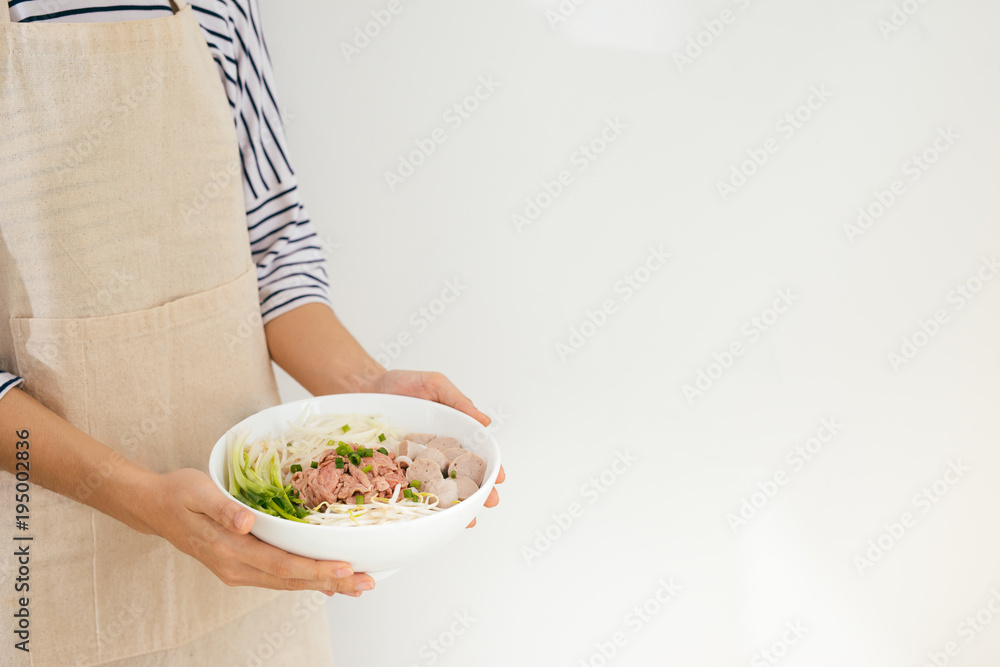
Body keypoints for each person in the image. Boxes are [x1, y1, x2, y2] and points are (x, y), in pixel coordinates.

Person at [0, 1, 504, 664]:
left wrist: (369, 388)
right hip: (52, 551)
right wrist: (143, 498)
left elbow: (274, 245)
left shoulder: (220, 5)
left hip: (257, 526)